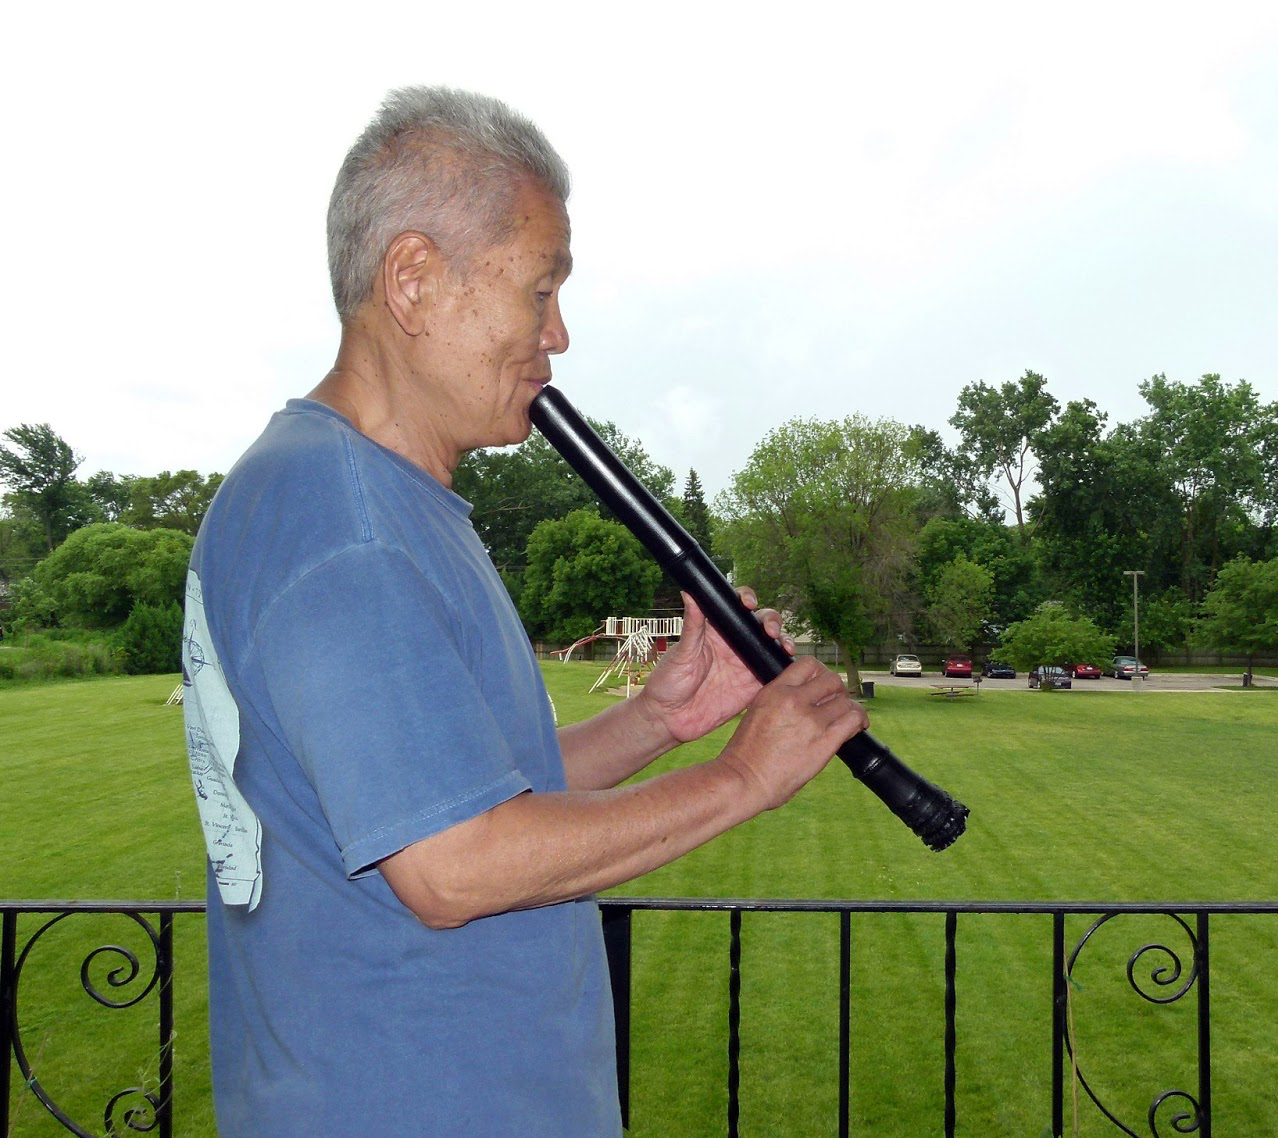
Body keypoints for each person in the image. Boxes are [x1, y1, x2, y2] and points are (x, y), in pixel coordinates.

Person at [181, 85, 867, 1137]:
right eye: (539, 288)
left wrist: (659, 719)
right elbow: (454, 863)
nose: (558, 333)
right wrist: (739, 777)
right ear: (412, 280)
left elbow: (450, 790)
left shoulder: (380, 502)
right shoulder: (346, 527)